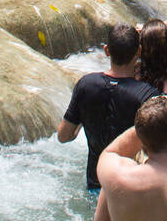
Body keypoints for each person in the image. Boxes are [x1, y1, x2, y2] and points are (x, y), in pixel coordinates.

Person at [58, 23, 160, 190]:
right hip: (131, 187)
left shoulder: (85, 85)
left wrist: (81, 123)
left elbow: (63, 136)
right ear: (139, 51)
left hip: (95, 183)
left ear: (106, 50)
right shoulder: (148, 95)